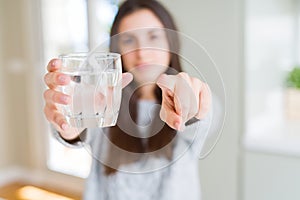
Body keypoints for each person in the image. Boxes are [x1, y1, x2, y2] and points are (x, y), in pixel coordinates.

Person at [43, 0, 212, 199]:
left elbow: (200, 119)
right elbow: (79, 132)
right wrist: (70, 125)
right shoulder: (105, 101)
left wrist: (189, 105)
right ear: (117, 49)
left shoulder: (194, 99)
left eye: (153, 36)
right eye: (129, 40)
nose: (141, 52)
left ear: (171, 42)